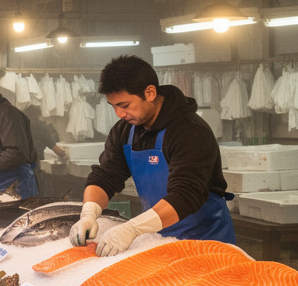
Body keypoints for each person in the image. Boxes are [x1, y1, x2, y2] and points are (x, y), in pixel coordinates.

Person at [70, 55, 234, 256]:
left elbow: (186, 195)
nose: (119, 114)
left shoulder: (190, 131)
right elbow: (105, 176)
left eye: (124, 105)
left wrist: (133, 228)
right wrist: (89, 213)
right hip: (156, 237)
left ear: (149, 93)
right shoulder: (124, 131)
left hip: (206, 241)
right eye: (113, 106)